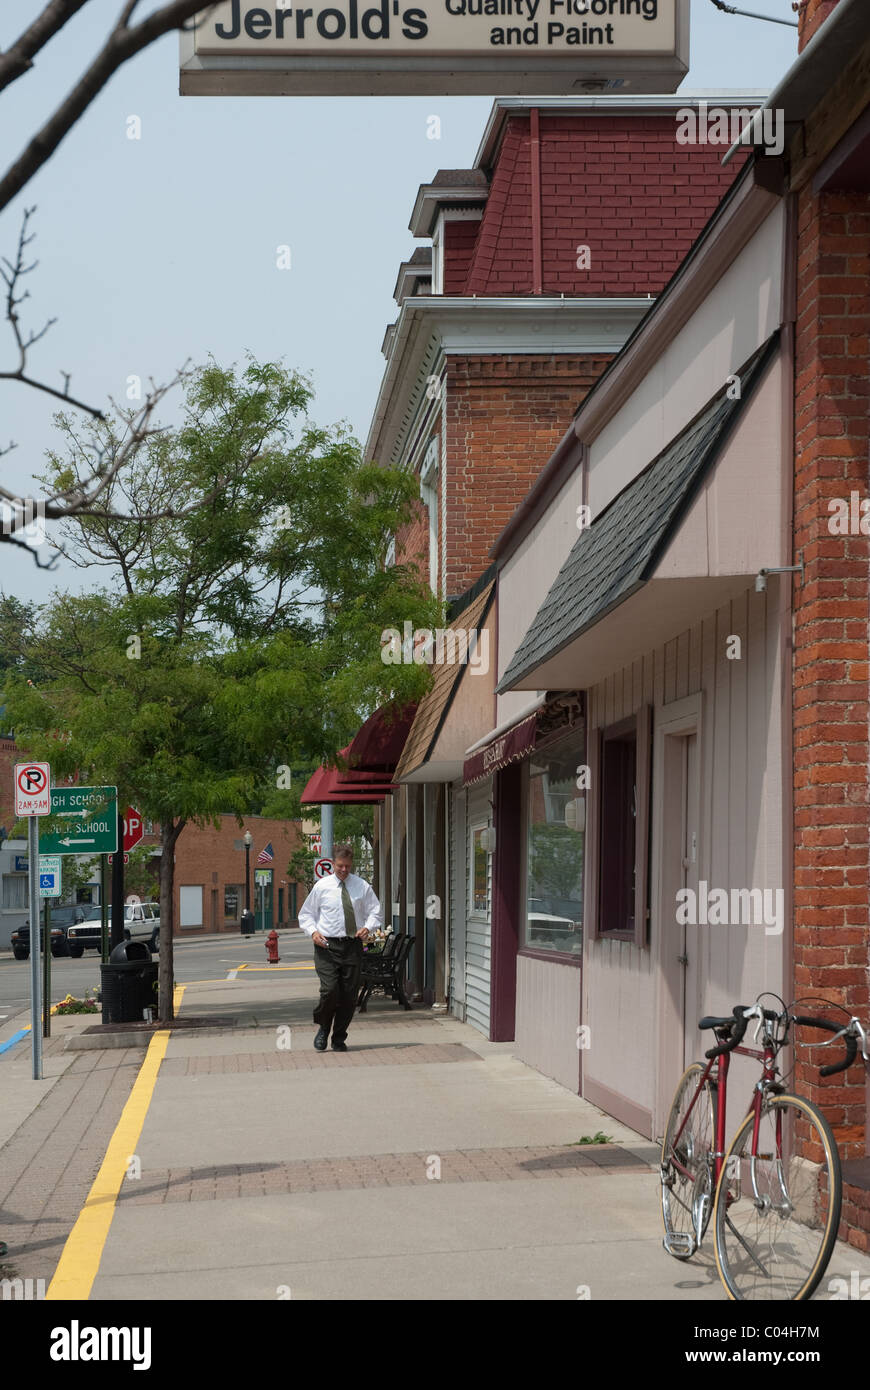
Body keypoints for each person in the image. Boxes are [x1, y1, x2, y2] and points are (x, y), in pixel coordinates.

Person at [298, 843, 383, 1050]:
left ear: (351, 864)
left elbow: (376, 912)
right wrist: (313, 932)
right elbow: (306, 914)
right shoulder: (322, 887)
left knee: (348, 995)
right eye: (340, 866)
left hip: (352, 945)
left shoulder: (361, 886)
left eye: (347, 866)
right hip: (327, 946)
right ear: (333, 864)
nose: (344, 870)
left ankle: (339, 1037)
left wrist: (368, 928)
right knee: (329, 990)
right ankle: (324, 1027)